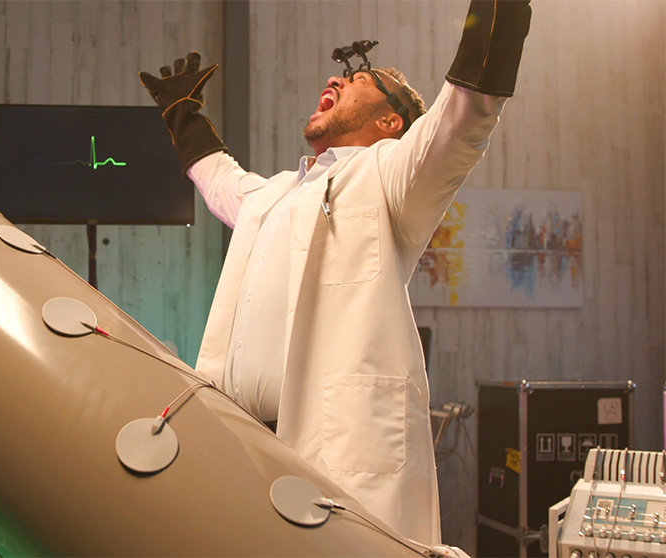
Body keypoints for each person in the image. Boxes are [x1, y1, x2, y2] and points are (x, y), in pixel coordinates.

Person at [140, 0, 531, 546]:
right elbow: (220, 179)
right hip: (239, 443)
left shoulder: (393, 179)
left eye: (360, 79)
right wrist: (183, 111)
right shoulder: (273, 193)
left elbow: (464, 115)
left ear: (390, 121)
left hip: (333, 457)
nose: (334, 78)